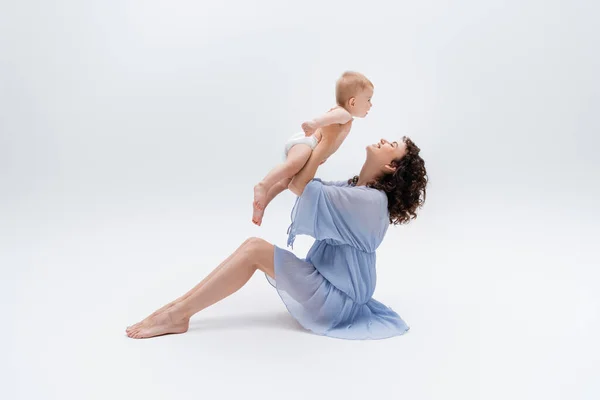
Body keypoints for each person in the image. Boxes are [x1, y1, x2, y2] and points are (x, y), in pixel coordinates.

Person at [126, 136, 428, 340]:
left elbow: (302, 187)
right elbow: (300, 181)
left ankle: (177, 314)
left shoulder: (371, 201)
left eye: (392, 145)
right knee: (252, 248)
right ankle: (176, 309)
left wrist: (326, 143)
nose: (384, 140)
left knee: (253, 249)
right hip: (330, 286)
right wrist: (316, 142)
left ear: (391, 166)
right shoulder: (355, 188)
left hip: (338, 301)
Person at [252, 71, 374, 226]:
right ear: (352, 102)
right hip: (307, 142)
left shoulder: (346, 117)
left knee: (286, 182)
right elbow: (328, 118)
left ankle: (262, 204)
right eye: (368, 99)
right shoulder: (344, 114)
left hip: (310, 149)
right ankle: (263, 185)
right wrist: (314, 124)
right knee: (292, 166)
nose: (371, 104)